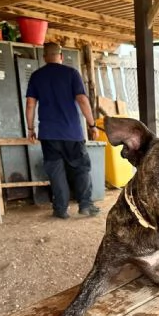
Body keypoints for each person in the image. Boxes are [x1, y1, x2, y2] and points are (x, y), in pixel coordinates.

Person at [25, 42, 100, 219]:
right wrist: (92, 124)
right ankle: (85, 206)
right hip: (72, 133)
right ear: (61, 56)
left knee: (56, 172)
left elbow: (30, 104)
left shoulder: (37, 76)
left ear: (44, 57)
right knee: (81, 169)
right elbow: (82, 99)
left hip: (49, 134)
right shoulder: (71, 73)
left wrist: (30, 128)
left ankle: (60, 209)